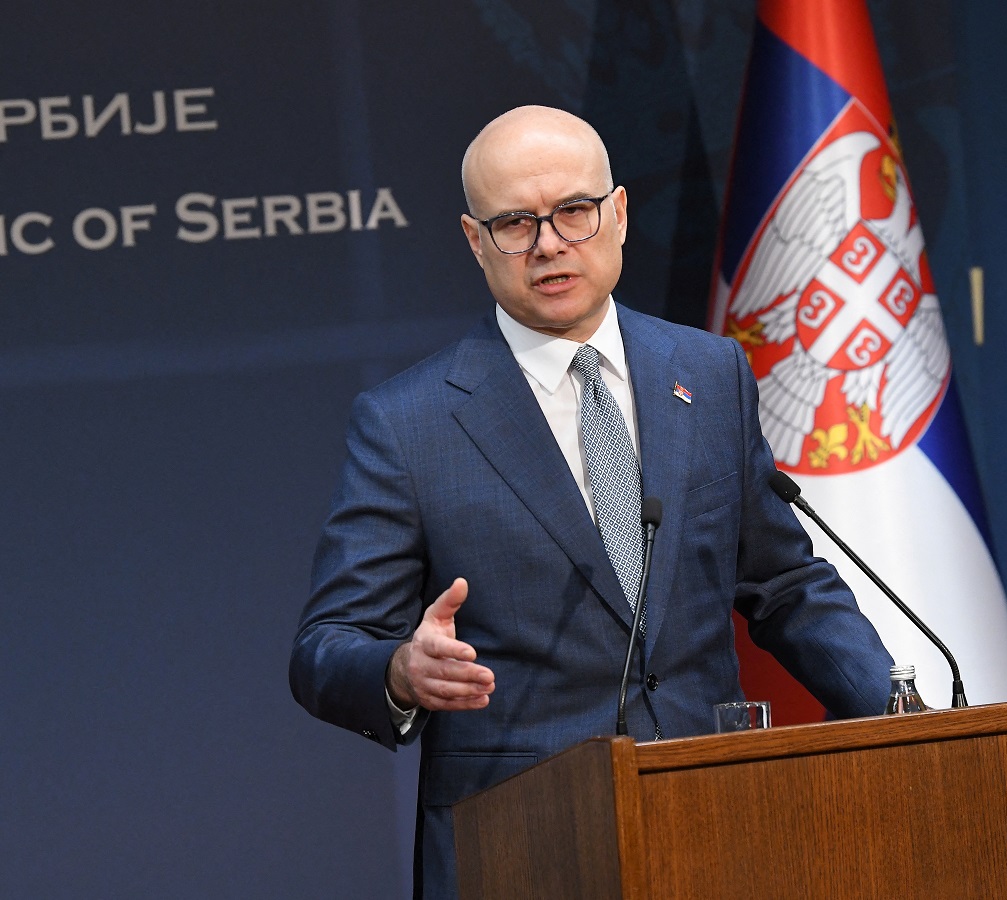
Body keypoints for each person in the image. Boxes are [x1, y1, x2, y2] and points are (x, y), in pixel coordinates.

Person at [290, 105, 894, 900]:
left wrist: (903, 716)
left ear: (619, 213)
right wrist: (401, 671)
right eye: (515, 223)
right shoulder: (409, 424)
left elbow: (784, 585)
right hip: (521, 845)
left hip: (715, 822)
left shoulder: (709, 373)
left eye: (573, 211)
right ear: (475, 240)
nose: (548, 244)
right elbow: (325, 647)